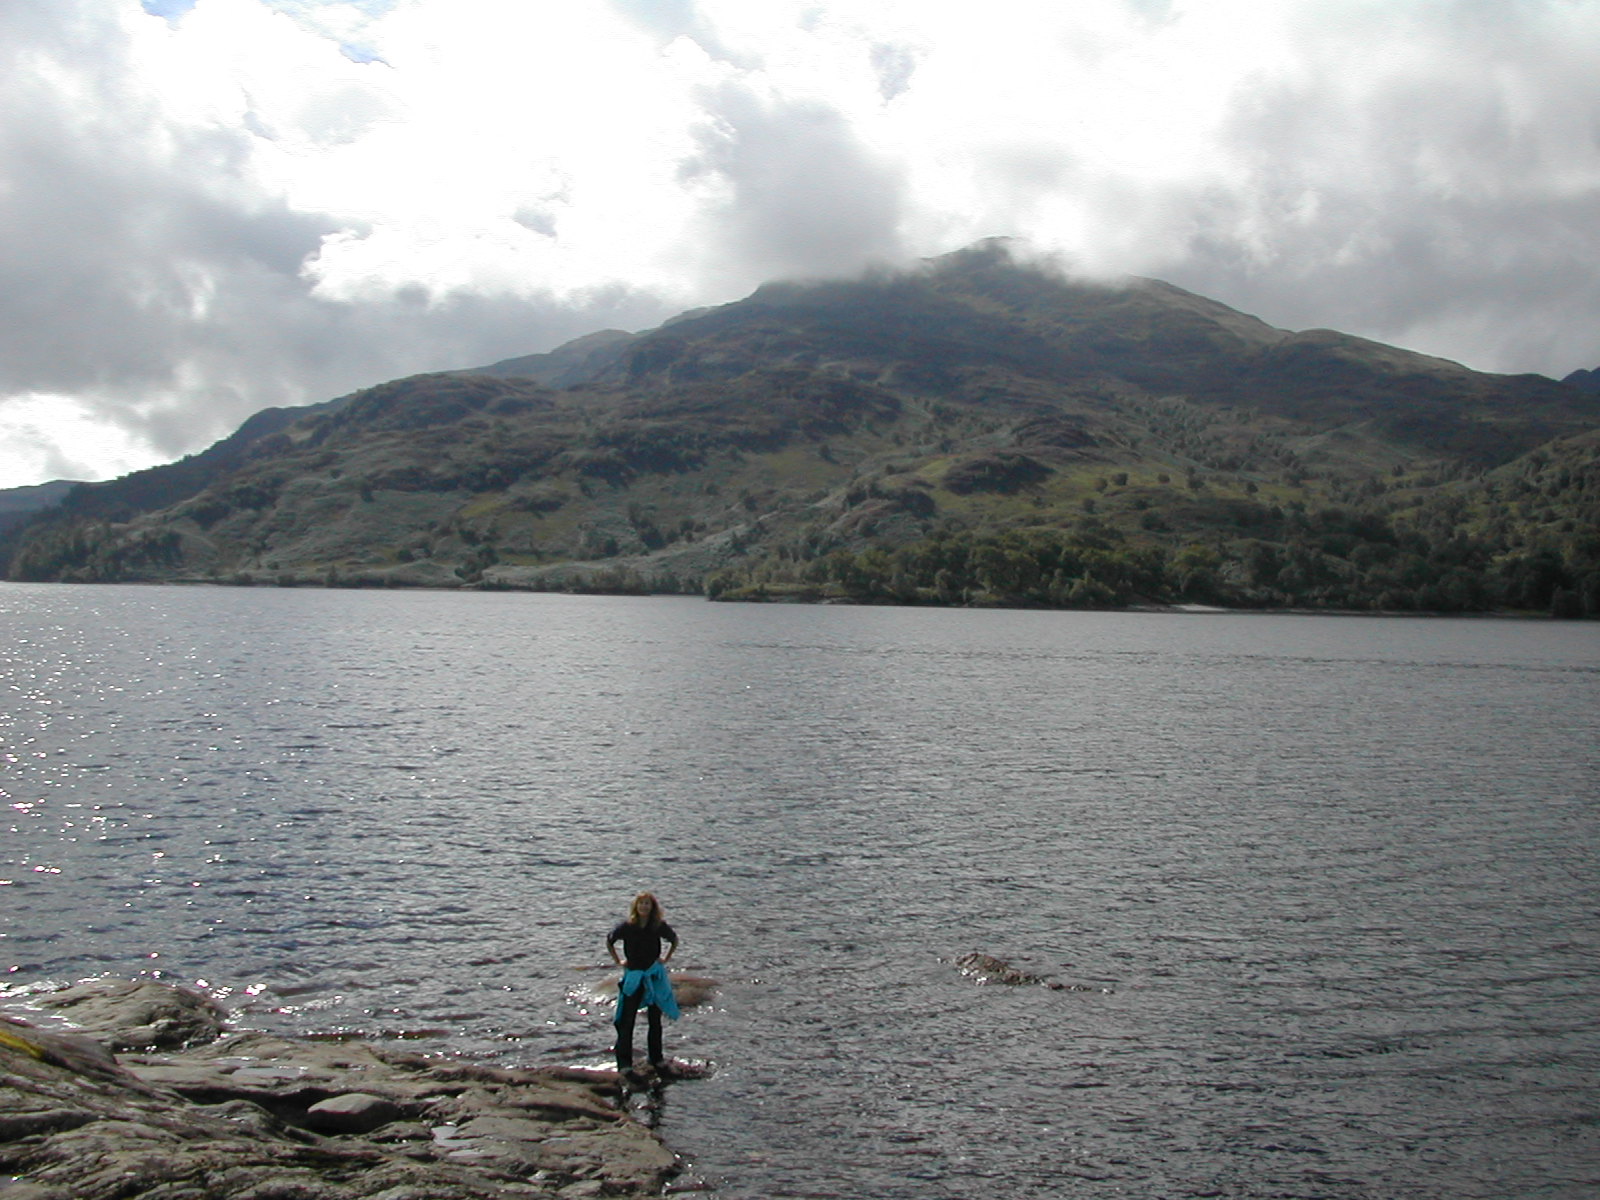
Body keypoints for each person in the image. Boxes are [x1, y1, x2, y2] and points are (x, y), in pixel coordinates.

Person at [607, 891, 680, 1076]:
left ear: (652, 907)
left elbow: (674, 940)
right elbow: (610, 940)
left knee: (655, 1019)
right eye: (641, 903)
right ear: (636, 907)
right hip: (634, 975)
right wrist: (618, 961)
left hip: (653, 974)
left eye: (647, 903)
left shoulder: (658, 925)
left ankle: (656, 1058)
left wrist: (665, 959)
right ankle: (624, 1064)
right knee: (627, 1020)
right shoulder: (627, 926)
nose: (644, 907)